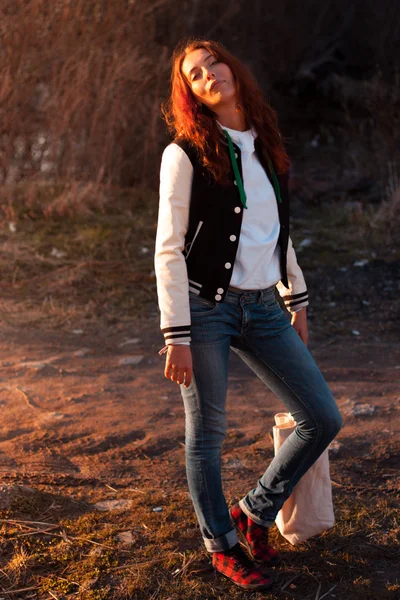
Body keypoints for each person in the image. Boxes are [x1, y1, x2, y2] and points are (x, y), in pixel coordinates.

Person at [154, 37, 342, 591]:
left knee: (321, 417)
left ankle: (253, 513)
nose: (209, 75)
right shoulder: (183, 153)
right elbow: (168, 246)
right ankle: (222, 543)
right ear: (191, 93)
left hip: (263, 305)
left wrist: (295, 299)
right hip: (203, 308)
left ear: (233, 68)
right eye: (195, 74)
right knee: (207, 433)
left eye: (214, 63)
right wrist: (177, 333)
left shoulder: (266, 142)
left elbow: (278, 232)